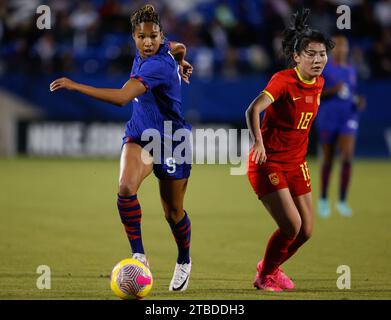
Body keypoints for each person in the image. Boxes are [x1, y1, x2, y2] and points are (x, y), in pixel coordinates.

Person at [50, 5, 193, 292]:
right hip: (140, 134)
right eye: (142, 37)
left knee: (173, 212)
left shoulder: (156, 66)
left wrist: (75, 85)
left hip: (172, 140)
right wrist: (181, 61)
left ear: (160, 34)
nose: (148, 42)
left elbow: (121, 98)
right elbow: (180, 46)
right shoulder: (164, 49)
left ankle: (184, 260)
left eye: (153, 36)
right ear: (134, 37)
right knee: (126, 188)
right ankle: (139, 255)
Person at [245, 9, 334, 291]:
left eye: (322, 54)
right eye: (311, 54)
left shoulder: (319, 82)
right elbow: (254, 108)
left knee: (306, 231)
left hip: (297, 163)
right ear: (296, 57)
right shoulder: (283, 80)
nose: (318, 59)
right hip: (268, 162)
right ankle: (264, 276)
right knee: (291, 226)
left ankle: (269, 267)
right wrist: (258, 142)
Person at [316, 34, 365, 218]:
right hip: (329, 117)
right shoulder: (324, 69)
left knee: (347, 157)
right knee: (328, 159)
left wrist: (359, 101)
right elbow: (316, 95)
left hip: (348, 117)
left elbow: (351, 93)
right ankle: (323, 199)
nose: (341, 48)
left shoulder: (351, 70)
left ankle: (343, 201)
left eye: (344, 45)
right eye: (338, 46)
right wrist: (331, 91)